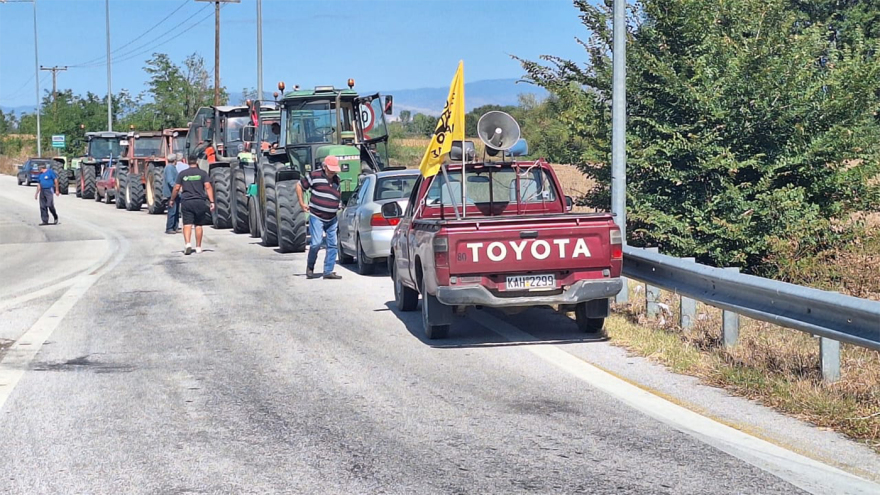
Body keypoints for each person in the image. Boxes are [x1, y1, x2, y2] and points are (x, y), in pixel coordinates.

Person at [296, 155, 343, 280]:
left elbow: (337, 195)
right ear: (324, 167)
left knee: (333, 245)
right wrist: (301, 203)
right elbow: (299, 185)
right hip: (317, 216)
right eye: (330, 169)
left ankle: (328, 271)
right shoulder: (314, 176)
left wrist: (338, 205)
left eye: (334, 169)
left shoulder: (337, 180)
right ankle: (310, 267)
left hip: (332, 218)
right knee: (316, 243)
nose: (333, 172)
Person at [168, 153, 215, 255]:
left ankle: (188, 244)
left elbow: (176, 188)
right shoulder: (202, 173)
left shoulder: (182, 174)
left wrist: (172, 199)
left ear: (187, 162)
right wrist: (212, 201)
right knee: (198, 225)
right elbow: (208, 186)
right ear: (197, 162)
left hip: (187, 202)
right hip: (200, 202)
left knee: (187, 224)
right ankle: (198, 247)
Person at [163, 153, 180, 234]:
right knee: (172, 211)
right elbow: (170, 181)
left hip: (175, 192)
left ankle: (175, 227)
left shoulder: (173, 167)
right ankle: (169, 228)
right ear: (174, 160)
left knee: (176, 211)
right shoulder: (169, 168)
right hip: (171, 193)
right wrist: (176, 187)